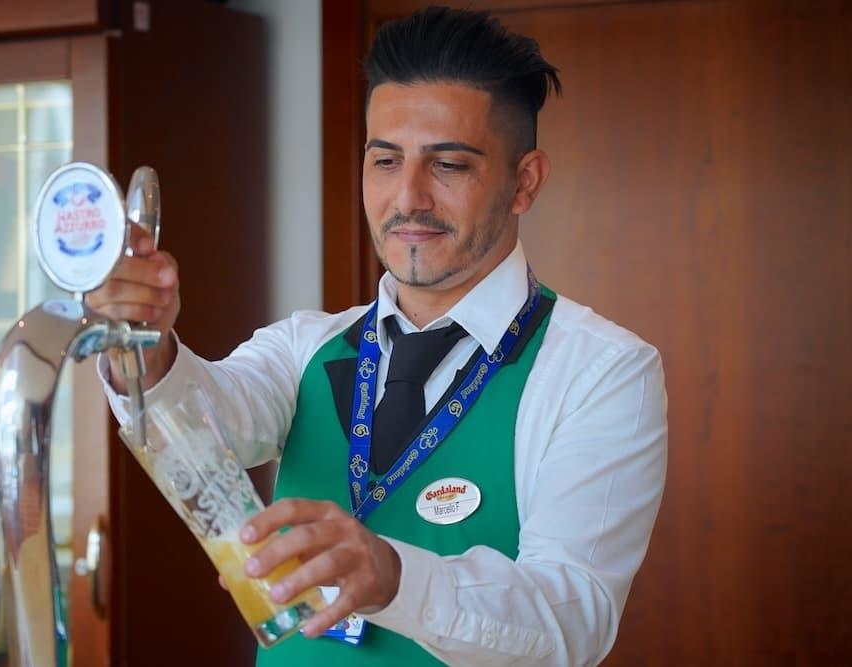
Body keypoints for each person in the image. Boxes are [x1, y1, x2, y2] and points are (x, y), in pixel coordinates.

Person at [89, 6, 667, 666]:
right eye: (385, 160)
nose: (408, 197)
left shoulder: (602, 370)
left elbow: (573, 618)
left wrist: (393, 575)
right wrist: (143, 345)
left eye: (449, 165)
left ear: (524, 181)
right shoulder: (305, 345)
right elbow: (203, 429)